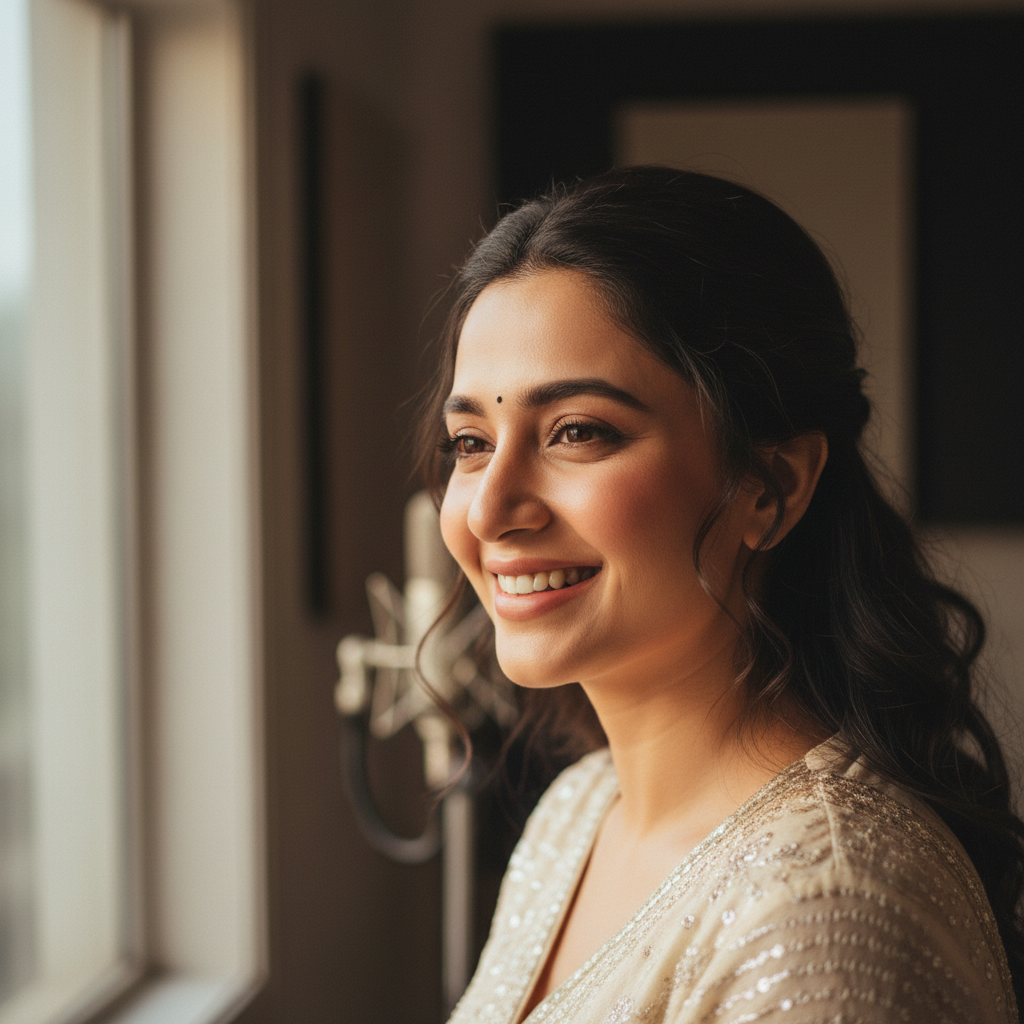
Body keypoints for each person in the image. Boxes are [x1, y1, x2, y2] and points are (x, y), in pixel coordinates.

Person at [416, 166, 1023, 1023]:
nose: (491, 507)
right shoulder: (578, 812)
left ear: (769, 486)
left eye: (578, 432)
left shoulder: (825, 912)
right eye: (470, 441)